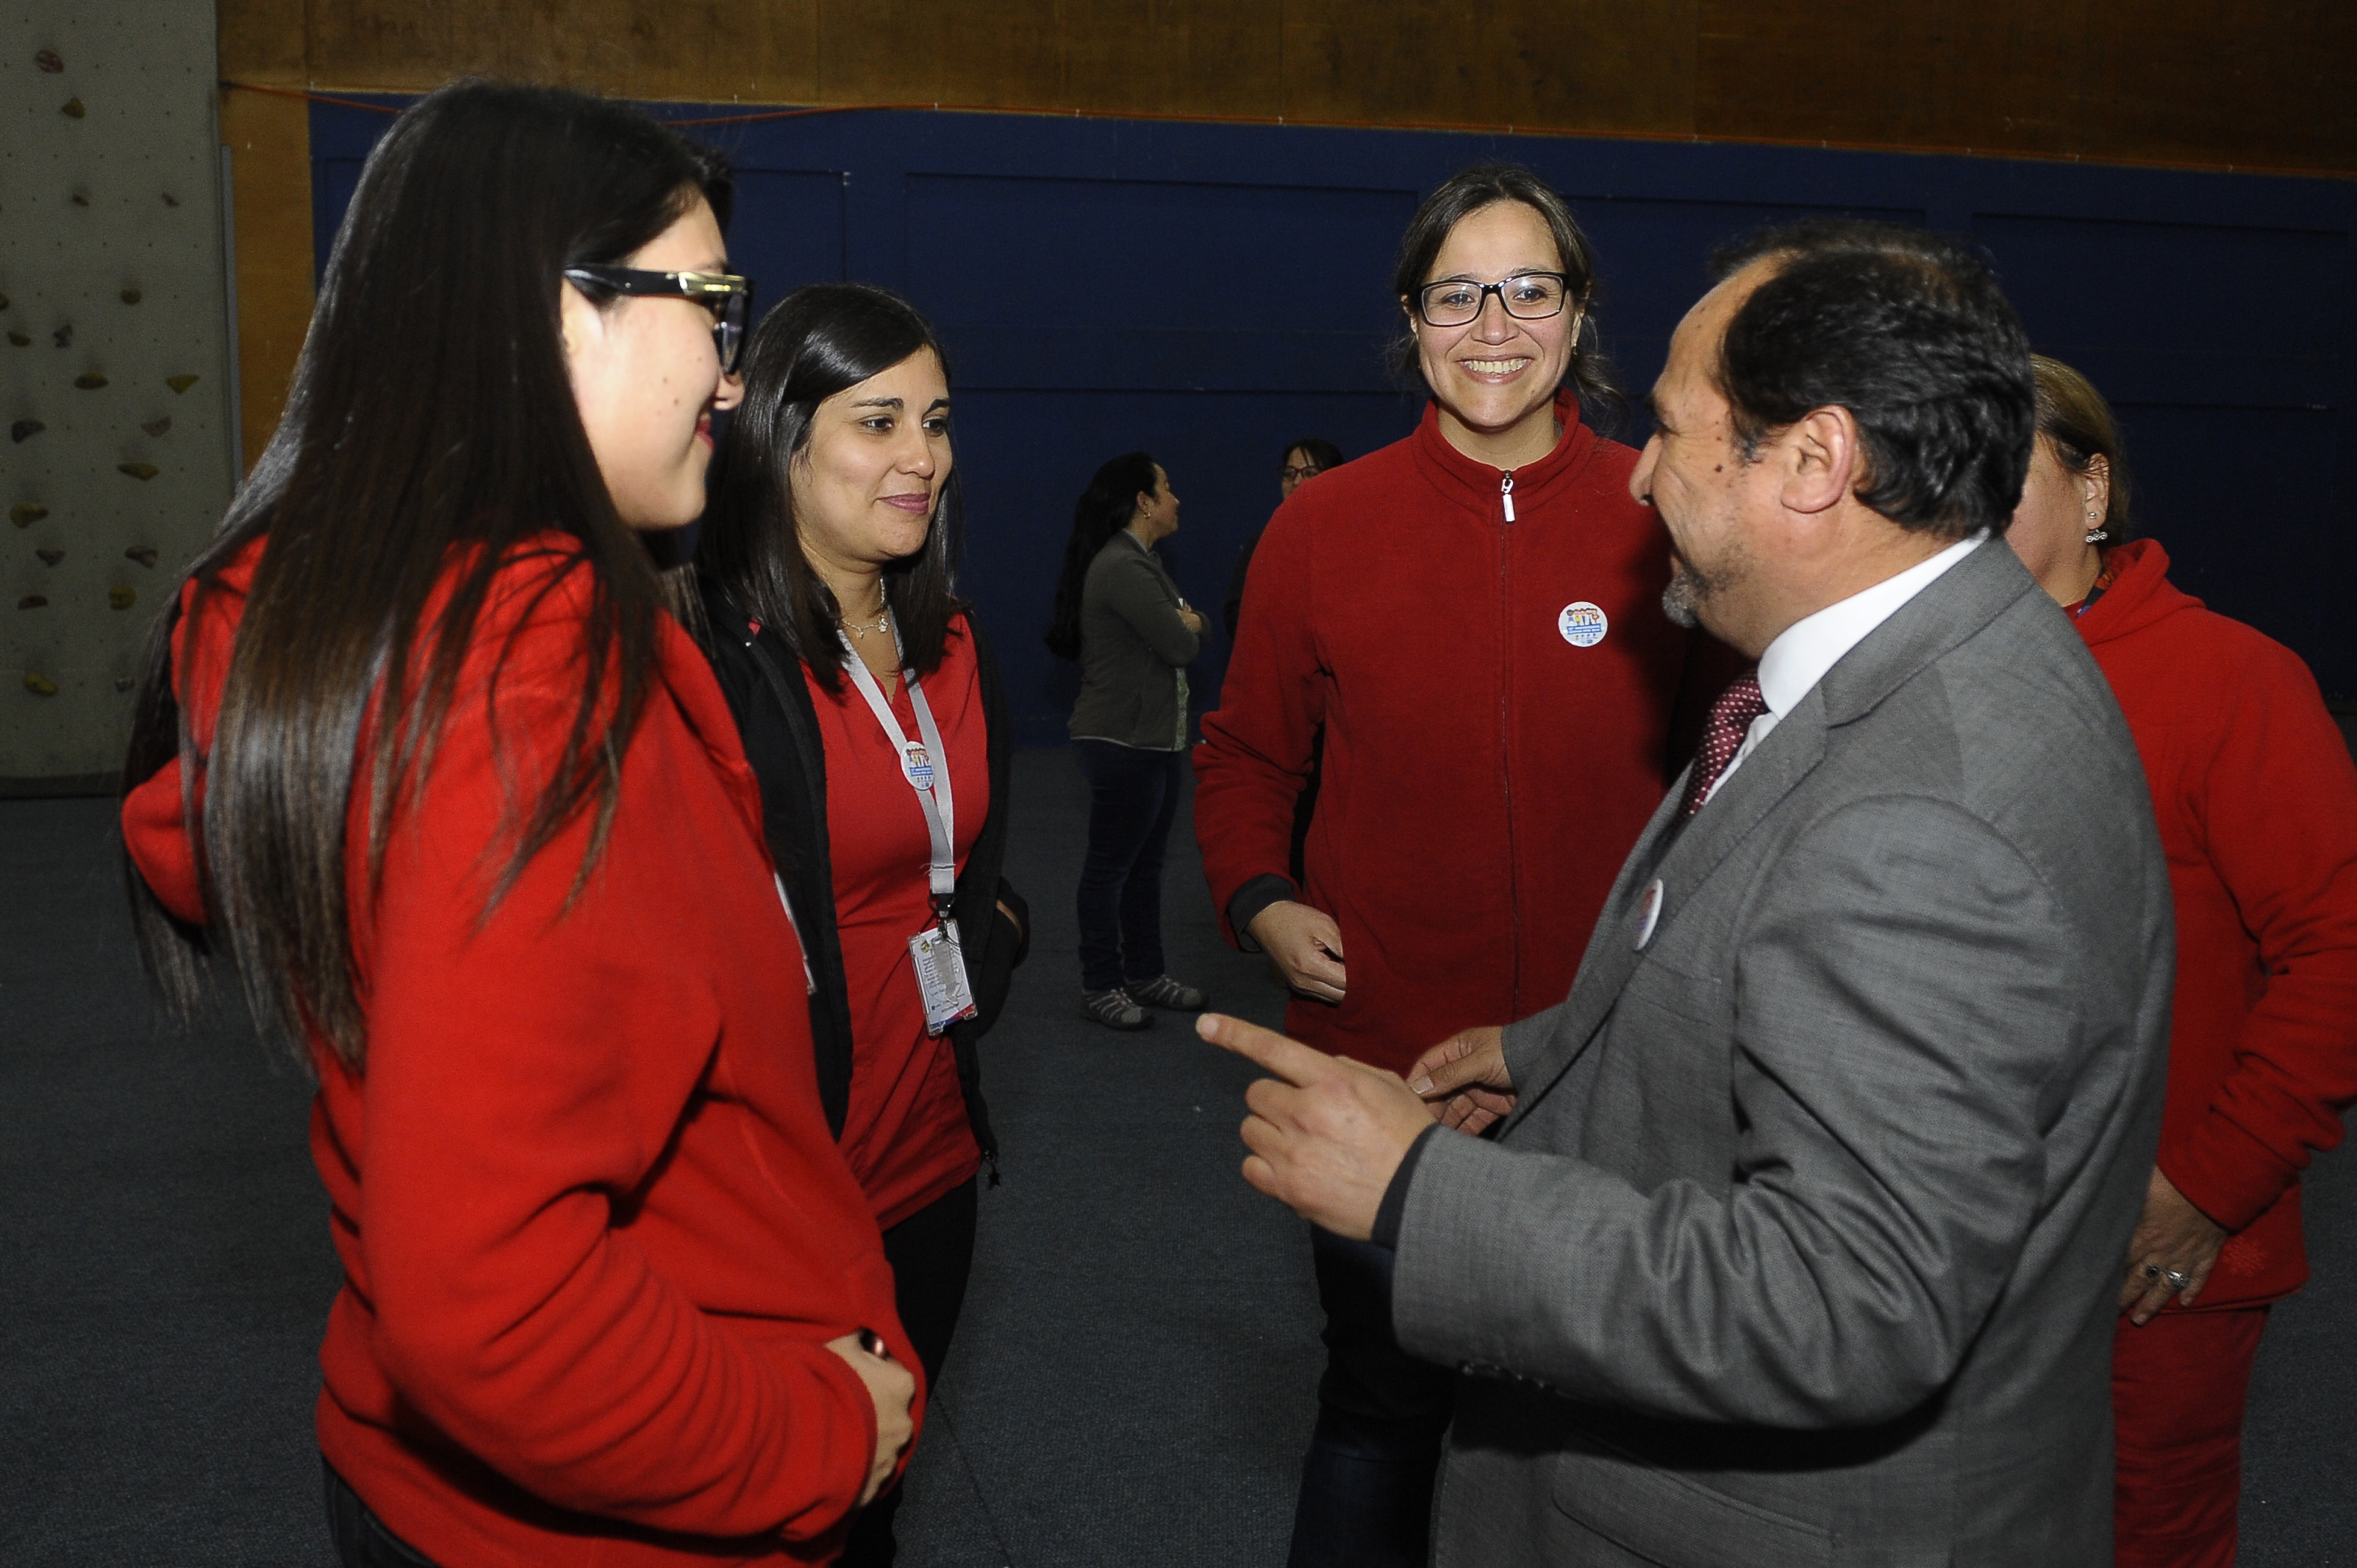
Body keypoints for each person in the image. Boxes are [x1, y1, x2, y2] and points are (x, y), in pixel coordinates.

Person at [1202, 220, 2176, 1564]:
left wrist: (1420, 1191)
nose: (1643, 474)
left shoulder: (1916, 813)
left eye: (1669, 430)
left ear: (1817, 460)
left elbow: (1848, 1302)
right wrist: (1545, 1047)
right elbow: (1766, 965)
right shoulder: (1947, 661)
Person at [118, 83, 915, 1567]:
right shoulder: (525, 672)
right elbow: (491, 1303)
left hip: (437, 1492)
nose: (733, 381)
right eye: (712, 307)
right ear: (556, 311)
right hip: (634, 1510)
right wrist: (808, 1432)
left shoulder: (334, 618)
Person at [1192, 163, 1714, 1567]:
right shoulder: (1322, 525)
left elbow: (1729, 780)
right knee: (1378, 1414)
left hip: (1601, 1072)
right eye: (1456, 293)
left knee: (1585, 1438)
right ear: (1412, 319)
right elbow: (1244, 752)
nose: (1494, 323)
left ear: (1579, 311)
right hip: (1380, 1070)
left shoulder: (1663, 515)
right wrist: (1263, 892)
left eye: (1529, 288)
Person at [693, 282, 1031, 1567]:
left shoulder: (948, 641)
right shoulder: (716, 653)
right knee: (774, 1517)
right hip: (781, 1179)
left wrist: (992, 936)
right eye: (877, 421)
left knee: (871, 1502)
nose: (921, 458)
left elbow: (972, 852)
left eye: (936, 422)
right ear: (780, 437)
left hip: (930, 1155)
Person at [2006, 354, 2357, 1568]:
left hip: (2157, 1246)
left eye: (2005, 468)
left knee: (2148, 1531)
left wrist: (2211, 1186)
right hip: (1965, 1234)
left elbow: (2340, 956)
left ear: (2092, 491)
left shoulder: (2234, 681)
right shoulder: (1923, 677)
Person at [1045, 452, 1213, 1031]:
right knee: (1111, 868)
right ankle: (1101, 983)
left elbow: (1190, 626)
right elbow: (1182, 640)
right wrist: (1188, 621)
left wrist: (1190, 621)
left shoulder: (1143, 562)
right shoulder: (1123, 566)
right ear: (1143, 501)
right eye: (1167, 488)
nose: (1176, 499)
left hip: (1153, 741)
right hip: (1122, 743)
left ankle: (1145, 973)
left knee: (1144, 868)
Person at [1223, 437, 1345, 642]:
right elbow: (1235, 612)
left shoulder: (1350, 543)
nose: (1297, 482)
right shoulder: (1263, 542)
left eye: (1310, 473)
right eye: (1290, 474)